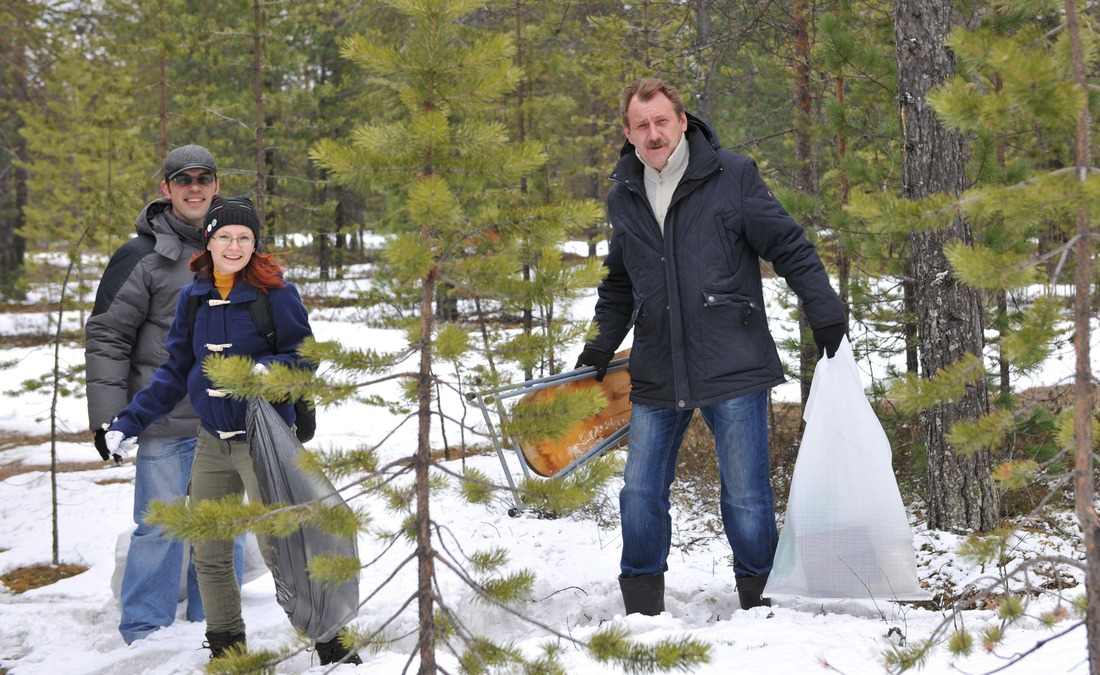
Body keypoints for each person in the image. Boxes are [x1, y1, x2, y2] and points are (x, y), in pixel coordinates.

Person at [575, 78, 847, 616]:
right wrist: (596, 350)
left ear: (681, 120)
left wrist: (826, 311)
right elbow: (620, 284)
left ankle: (762, 600)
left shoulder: (733, 175)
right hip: (656, 366)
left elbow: (788, 245)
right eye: (641, 125)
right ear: (628, 133)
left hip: (732, 359)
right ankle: (642, 604)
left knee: (746, 496)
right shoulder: (623, 192)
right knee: (639, 492)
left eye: (661, 122)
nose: (653, 134)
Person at [102, 196, 361, 666]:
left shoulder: (276, 293)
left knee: (282, 546)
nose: (235, 245)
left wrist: (266, 368)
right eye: (225, 236)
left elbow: (305, 357)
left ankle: (329, 640)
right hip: (211, 442)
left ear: (255, 243)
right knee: (210, 550)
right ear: (210, 240)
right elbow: (174, 369)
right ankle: (227, 648)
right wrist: (129, 420)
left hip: (263, 441)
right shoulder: (194, 297)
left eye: (244, 237)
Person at [86, 144, 244, 644]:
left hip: (227, 419)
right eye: (183, 180)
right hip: (165, 421)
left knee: (223, 530)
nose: (194, 187)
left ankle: (214, 628)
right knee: (159, 530)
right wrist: (109, 417)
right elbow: (108, 337)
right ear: (167, 190)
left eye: (204, 178)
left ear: (216, 185)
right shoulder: (140, 257)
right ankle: (145, 634)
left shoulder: (237, 247)